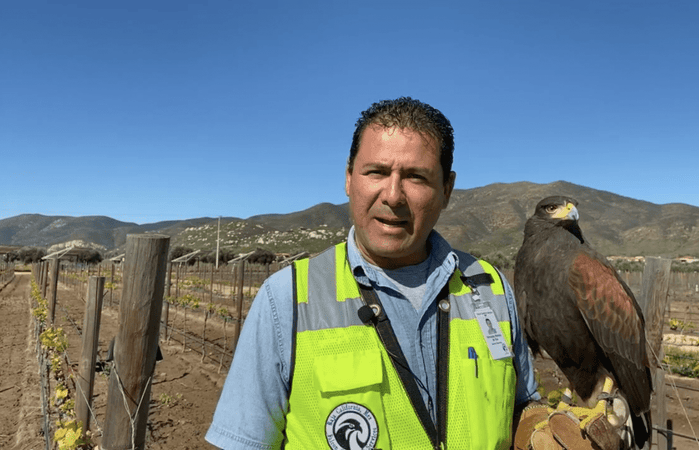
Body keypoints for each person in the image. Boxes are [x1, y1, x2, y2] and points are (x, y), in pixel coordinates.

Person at [205, 97, 540, 449]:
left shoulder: (490, 287)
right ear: (349, 178)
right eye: (377, 172)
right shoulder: (286, 299)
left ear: (447, 190)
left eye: (416, 177)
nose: (393, 195)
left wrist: (541, 426)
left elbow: (521, 406)